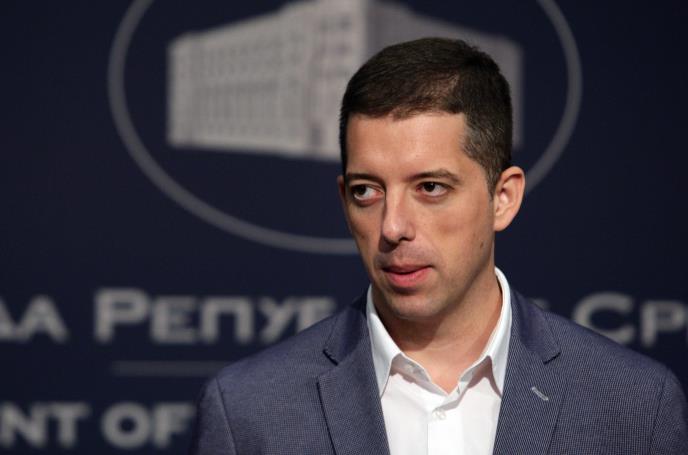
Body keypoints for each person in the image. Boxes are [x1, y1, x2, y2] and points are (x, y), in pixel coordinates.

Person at [189, 38, 687, 454]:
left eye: (430, 187)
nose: (392, 227)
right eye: (367, 191)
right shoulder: (249, 412)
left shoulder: (634, 406)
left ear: (503, 198)